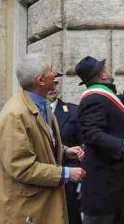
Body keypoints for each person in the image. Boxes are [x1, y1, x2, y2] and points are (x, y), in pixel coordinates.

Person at [0, 53, 86, 224]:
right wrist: (66, 173)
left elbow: (40, 143)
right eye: (51, 70)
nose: (55, 73)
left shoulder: (40, 105)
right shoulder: (15, 115)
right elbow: (22, 167)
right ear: (41, 81)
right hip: (24, 210)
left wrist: (64, 151)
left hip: (39, 206)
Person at [76, 56, 124, 224]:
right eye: (105, 67)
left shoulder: (102, 97)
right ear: (102, 75)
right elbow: (92, 134)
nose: (109, 68)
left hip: (112, 186)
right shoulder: (93, 100)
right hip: (102, 187)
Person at [47, 78, 83, 224]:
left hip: (68, 182)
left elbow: (84, 144)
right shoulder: (31, 113)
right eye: (49, 83)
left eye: (55, 83)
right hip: (42, 179)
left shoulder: (73, 111)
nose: (53, 87)